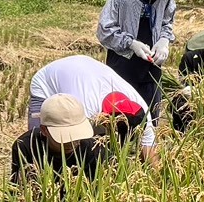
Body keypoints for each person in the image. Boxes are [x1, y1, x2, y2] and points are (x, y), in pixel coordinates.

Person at [96, 0, 191, 115]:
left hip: (151, 70)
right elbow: (104, 30)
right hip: (123, 68)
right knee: (121, 121)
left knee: (150, 120)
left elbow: (167, 23)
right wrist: (131, 43)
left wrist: (163, 41)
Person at [26, 54, 159, 158]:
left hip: (85, 71)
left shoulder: (143, 115)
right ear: (104, 120)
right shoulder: (85, 110)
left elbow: (149, 152)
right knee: (42, 141)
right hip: (47, 82)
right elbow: (79, 147)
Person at [11, 93, 109, 202]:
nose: (73, 142)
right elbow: (19, 192)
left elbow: (97, 195)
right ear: (44, 130)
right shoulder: (25, 146)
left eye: (76, 134)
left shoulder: (94, 148)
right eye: (65, 137)